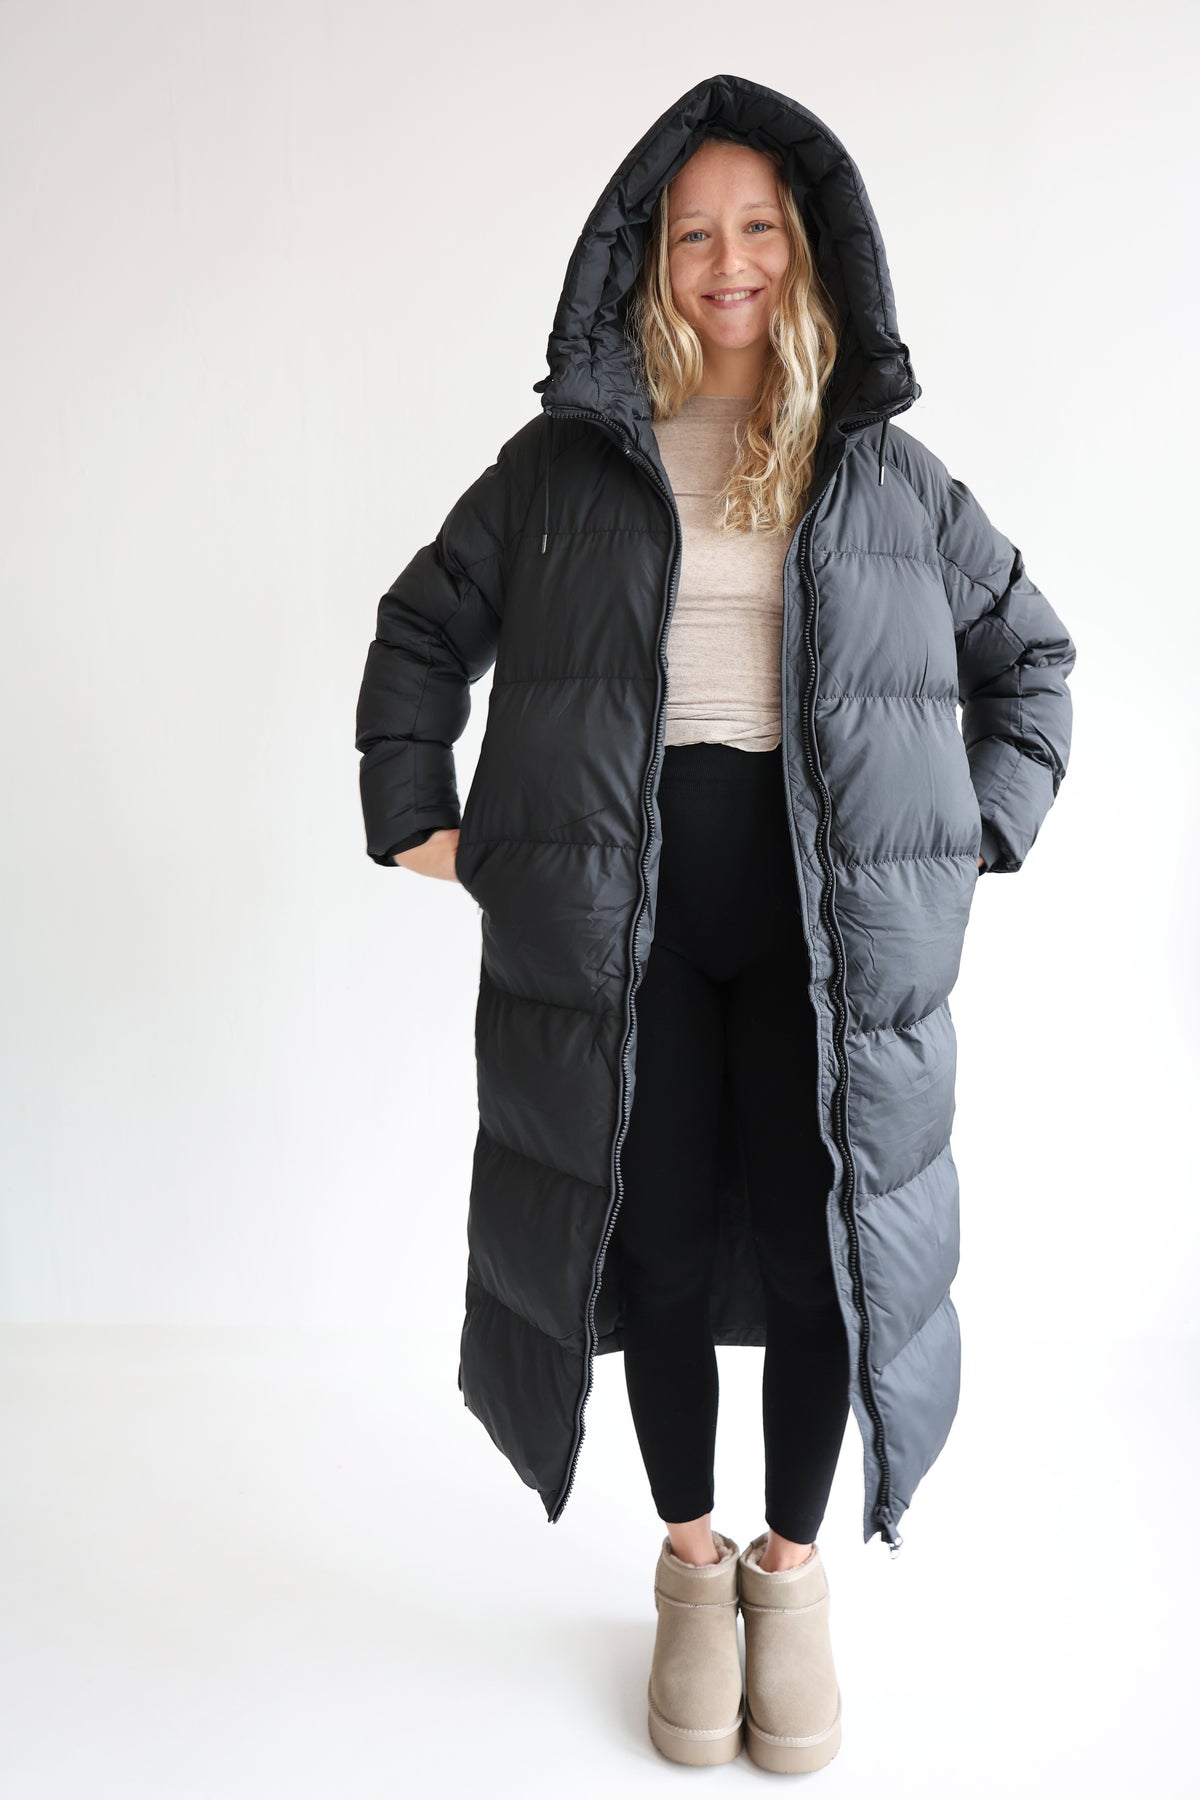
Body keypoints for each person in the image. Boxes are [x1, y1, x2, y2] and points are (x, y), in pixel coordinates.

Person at [355, 74, 1075, 1774]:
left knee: (829, 1253)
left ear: (807, 251)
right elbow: (421, 629)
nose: (729, 261)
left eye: (758, 228)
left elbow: (1032, 659)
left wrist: (964, 837)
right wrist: (425, 824)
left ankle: (792, 1580)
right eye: (694, 234)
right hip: (630, 926)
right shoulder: (563, 469)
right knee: (658, 1246)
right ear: (645, 256)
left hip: (826, 933)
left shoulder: (885, 475)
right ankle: (691, 1568)